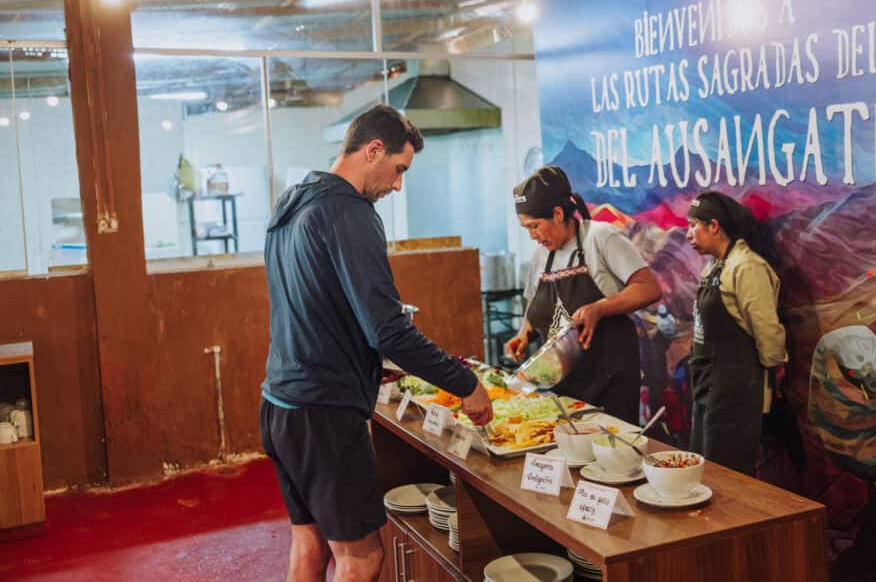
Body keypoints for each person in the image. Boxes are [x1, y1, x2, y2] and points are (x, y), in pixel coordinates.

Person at [259, 104, 493, 582]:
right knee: (361, 558)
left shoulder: (294, 201)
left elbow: (316, 304)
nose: (398, 185)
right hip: (326, 412)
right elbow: (387, 330)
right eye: (399, 169)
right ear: (373, 150)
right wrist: (465, 383)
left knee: (309, 544)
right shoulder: (349, 211)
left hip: (280, 402)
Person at [505, 166, 662, 424]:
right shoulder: (541, 255)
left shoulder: (600, 237)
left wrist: (598, 308)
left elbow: (649, 288)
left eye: (535, 226)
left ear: (557, 214)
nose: (533, 236)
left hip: (610, 383)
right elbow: (535, 303)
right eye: (527, 229)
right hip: (563, 386)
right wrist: (524, 333)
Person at [686, 191, 787, 475]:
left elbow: (767, 328)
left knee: (729, 475)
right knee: (705, 468)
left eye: (694, 225)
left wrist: (774, 365)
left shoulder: (746, 266)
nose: (688, 234)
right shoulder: (714, 267)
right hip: (708, 384)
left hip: (736, 389)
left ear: (714, 226)